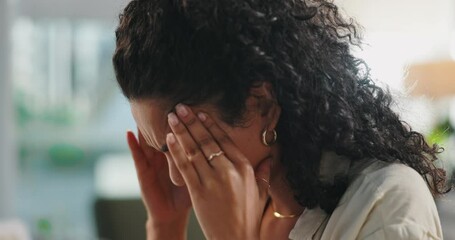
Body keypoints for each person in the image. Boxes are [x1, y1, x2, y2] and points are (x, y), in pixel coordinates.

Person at [112, 0, 449, 239]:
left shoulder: (386, 209)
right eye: (164, 148)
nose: (175, 175)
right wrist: (167, 225)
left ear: (263, 105)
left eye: (187, 141)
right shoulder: (254, 200)